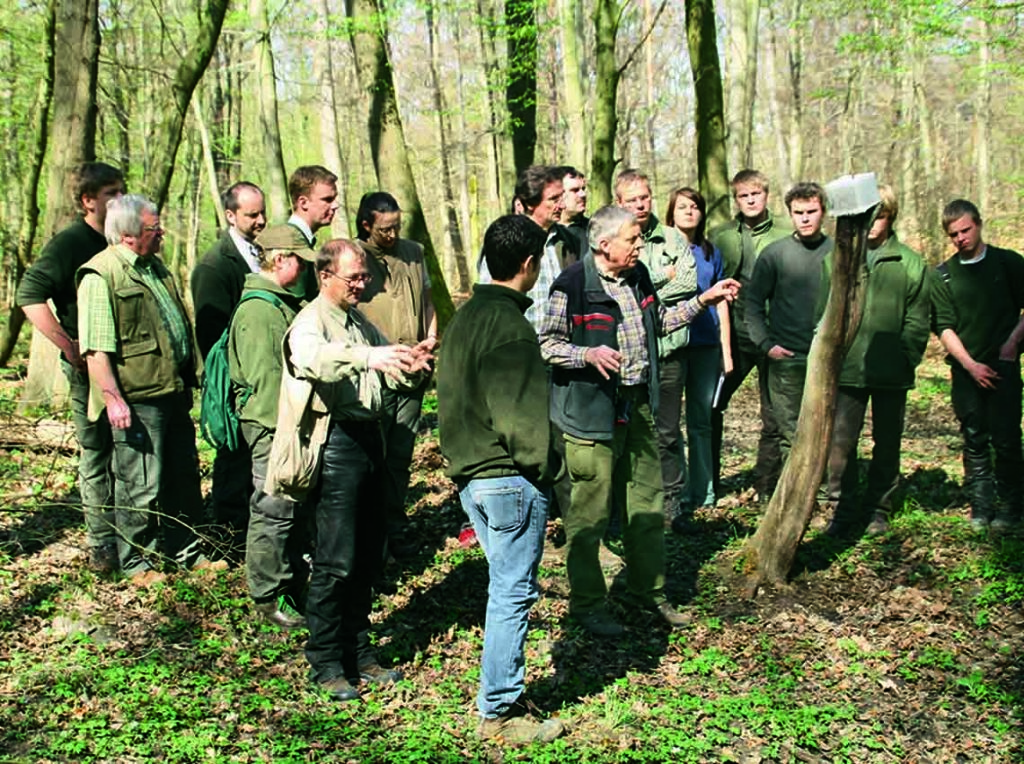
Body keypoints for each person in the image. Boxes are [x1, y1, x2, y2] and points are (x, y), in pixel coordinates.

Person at [539, 205, 740, 636]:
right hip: (590, 415)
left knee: (646, 508)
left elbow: (661, 322)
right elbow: (547, 345)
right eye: (631, 240)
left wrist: (704, 300)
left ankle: (647, 593)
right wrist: (587, 354)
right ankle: (588, 605)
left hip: (638, 408)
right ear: (603, 243)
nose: (638, 247)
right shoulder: (571, 284)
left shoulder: (639, 276)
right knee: (589, 516)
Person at [280, 239, 433, 702]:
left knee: (368, 552)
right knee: (336, 558)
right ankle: (326, 660)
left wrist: (411, 361)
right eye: (354, 278)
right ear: (325, 277)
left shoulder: (359, 319)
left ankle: (359, 650)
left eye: (365, 277)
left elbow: (386, 364)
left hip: (370, 439)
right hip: (335, 445)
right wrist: (369, 357)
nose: (363, 285)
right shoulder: (311, 321)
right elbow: (313, 359)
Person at [437, 214, 564, 745]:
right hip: (508, 478)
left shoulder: (464, 319)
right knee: (513, 593)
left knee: (504, 589)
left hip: (472, 477)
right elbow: (522, 420)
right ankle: (500, 710)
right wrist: (549, 472)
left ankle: (499, 696)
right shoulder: (510, 326)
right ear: (529, 264)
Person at [77, 195, 212, 584]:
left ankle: (187, 552)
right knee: (139, 483)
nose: (162, 233)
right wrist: (112, 398)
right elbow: (96, 348)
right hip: (136, 400)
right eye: (154, 229)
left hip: (170, 391)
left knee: (182, 477)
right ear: (128, 235)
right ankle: (138, 563)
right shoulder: (101, 275)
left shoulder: (156, 269)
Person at [16, 162, 125, 573]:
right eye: (111, 194)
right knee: (97, 453)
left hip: (126, 368)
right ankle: (102, 544)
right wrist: (69, 346)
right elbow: (29, 296)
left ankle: (132, 535)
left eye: (122, 192)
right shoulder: (70, 244)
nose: (119, 200)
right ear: (88, 201)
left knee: (127, 455)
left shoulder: (122, 240)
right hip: (88, 371)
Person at [824, 186, 930, 537]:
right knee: (841, 443)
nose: (873, 223)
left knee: (887, 443)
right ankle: (844, 508)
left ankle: (878, 509)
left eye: (880, 216)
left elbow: (918, 320)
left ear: (891, 217)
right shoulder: (840, 259)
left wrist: (905, 358)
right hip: (848, 370)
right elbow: (823, 313)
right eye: (868, 216)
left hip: (891, 371)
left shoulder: (910, 264)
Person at [228, 225, 312, 629]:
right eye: (300, 262)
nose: (306, 271)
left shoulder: (280, 303)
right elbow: (266, 384)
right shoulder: (260, 310)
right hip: (271, 427)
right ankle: (267, 595)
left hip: (285, 425)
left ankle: (291, 582)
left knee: (290, 509)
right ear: (280, 260)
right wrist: (284, 432)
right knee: (272, 510)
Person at [931, 198, 1024, 531]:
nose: (961, 238)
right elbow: (943, 326)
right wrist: (970, 366)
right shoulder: (942, 275)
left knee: (1007, 438)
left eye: (966, 230)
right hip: (965, 369)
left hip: (1004, 365)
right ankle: (981, 507)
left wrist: (1012, 344)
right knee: (974, 438)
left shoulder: (1008, 263)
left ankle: (1013, 507)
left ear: (979, 224)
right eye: (954, 234)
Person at [355, 192, 437, 558]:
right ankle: (373, 535)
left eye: (396, 227)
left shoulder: (414, 252)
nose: (392, 235)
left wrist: (431, 338)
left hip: (415, 369)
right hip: (377, 372)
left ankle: (395, 526)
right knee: (376, 456)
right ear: (366, 225)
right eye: (385, 229)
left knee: (401, 455)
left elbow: (429, 300)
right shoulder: (352, 259)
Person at [191, 182, 267, 550]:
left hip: (258, 376)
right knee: (233, 460)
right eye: (253, 215)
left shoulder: (262, 253)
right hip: (232, 381)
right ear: (231, 215)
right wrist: (231, 384)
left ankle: (248, 532)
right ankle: (227, 537)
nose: (261, 220)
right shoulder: (214, 266)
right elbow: (211, 337)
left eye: (262, 212)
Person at [709, 170, 793, 498]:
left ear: (766, 195)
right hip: (735, 331)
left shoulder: (786, 233)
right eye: (744, 196)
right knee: (711, 404)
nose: (751, 200)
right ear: (736, 200)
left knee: (774, 414)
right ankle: (708, 483)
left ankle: (767, 486)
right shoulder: (722, 236)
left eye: (756, 194)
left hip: (776, 332)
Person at [655, 187, 731, 528]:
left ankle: (704, 492)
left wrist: (726, 351)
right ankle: (676, 491)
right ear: (671, 212)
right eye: (682, 207)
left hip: (704, 343)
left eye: (694, 207)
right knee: (669, 425)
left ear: (702, 213)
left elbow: (723, 301)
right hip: (671, 341)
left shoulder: (710, 251)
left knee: (701, 421)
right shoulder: (659, 248)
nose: (689, 211)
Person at [745, 182, 833, 462]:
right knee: (791, 437)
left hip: (828, 359)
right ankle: (792, 502)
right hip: (787, 358)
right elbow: (754, 303)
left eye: (811, 211)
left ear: (823, 212)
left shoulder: (837, 252)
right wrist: (766, 344)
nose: (805, 218)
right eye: (798, 212)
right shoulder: (774, 254)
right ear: (790, 214)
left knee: (828, 433)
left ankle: (827, 499)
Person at [479, 165, 579, 331]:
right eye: (554, 199)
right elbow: (490, 304)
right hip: (520, 345)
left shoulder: (569, 242)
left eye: (562, 198)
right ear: (531, 203)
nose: (562, 206)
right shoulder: (506, 242)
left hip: (562, 349)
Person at [557, 165, 590, 256]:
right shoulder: (547, 233)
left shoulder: (594, 230)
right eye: (575, 190)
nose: (583, 194)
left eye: (583, 189)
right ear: (559, 195)